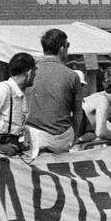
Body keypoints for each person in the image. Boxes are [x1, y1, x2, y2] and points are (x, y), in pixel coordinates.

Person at [24, 28, 84, 156]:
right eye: (67, 45)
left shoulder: (28, 72)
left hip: (34, 137)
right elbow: (78, 112)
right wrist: (75, 136)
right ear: (62, 48)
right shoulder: (72, 75)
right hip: (62, 138)